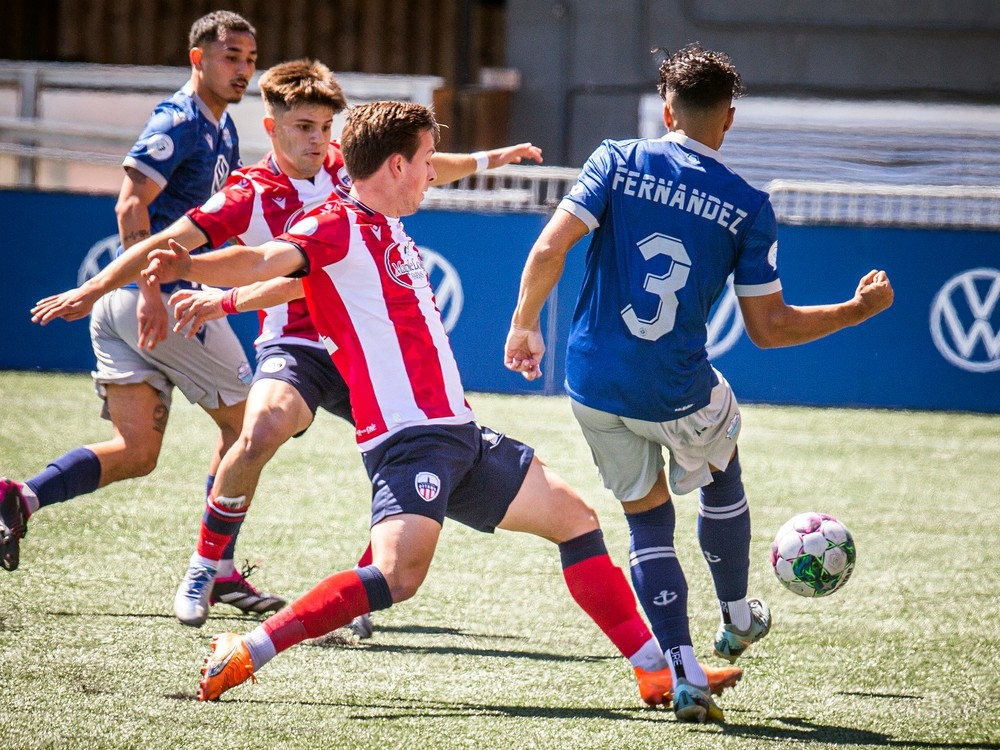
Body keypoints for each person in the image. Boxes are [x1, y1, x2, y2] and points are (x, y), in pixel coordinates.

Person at [141, 100, 745, 709]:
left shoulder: (381, 224)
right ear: (398, 165)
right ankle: (246, 650)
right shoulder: (337, 222)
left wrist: (228, 302)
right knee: (398, 578)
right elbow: (274, 257)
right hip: (410, 441)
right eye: (428, 160)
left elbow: (301, 280)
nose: (434, 172)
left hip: (459, 434)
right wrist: (194, 268)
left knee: (578, 521)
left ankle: (653, 671)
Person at [503, 44, 895, 722]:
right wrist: (856, 312)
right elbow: (770, 328)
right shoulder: (747, 205)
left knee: (647, 520)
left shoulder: (617, 159)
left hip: (591, 383)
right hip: (676, 387)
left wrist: (523, 325)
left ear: (666, 111)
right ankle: (739, 614)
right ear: (729, 120)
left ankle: (684, 674)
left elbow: (548, 247)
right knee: (722, 468)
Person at [0, 12, 259, 604]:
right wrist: (152, 293)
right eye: (230, 57)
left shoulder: (221, 129)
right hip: (159, 302)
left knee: (136, 453)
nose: (243, 69)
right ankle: (215, 569)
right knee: (251, 429)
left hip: (126, 305)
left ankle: (20, 496)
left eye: (249, 59)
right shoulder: (180, 121)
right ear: (198, 59)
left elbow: (220, 221)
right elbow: (128, 206)